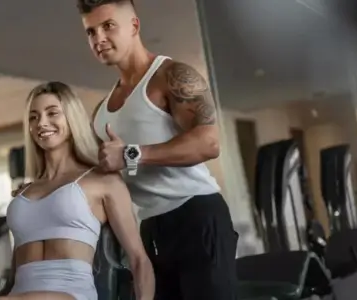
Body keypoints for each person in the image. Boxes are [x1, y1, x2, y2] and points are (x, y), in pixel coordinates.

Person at [75, 1, 239, 299]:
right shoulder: (102, 112)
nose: (98, 38)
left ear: (134, 26)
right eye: (90, 31)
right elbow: (97, 174)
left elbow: (208, 142)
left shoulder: (172, 75)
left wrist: (130, 155)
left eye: (108, 26)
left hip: (197, 215)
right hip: (150, 227)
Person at [0, 81, 154, 300]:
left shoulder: (103, 181)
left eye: (52, 113)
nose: (42, 123)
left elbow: (139, 260)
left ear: (71, 118)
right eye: (34, 117)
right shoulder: (23, 193)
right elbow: (13, 273)